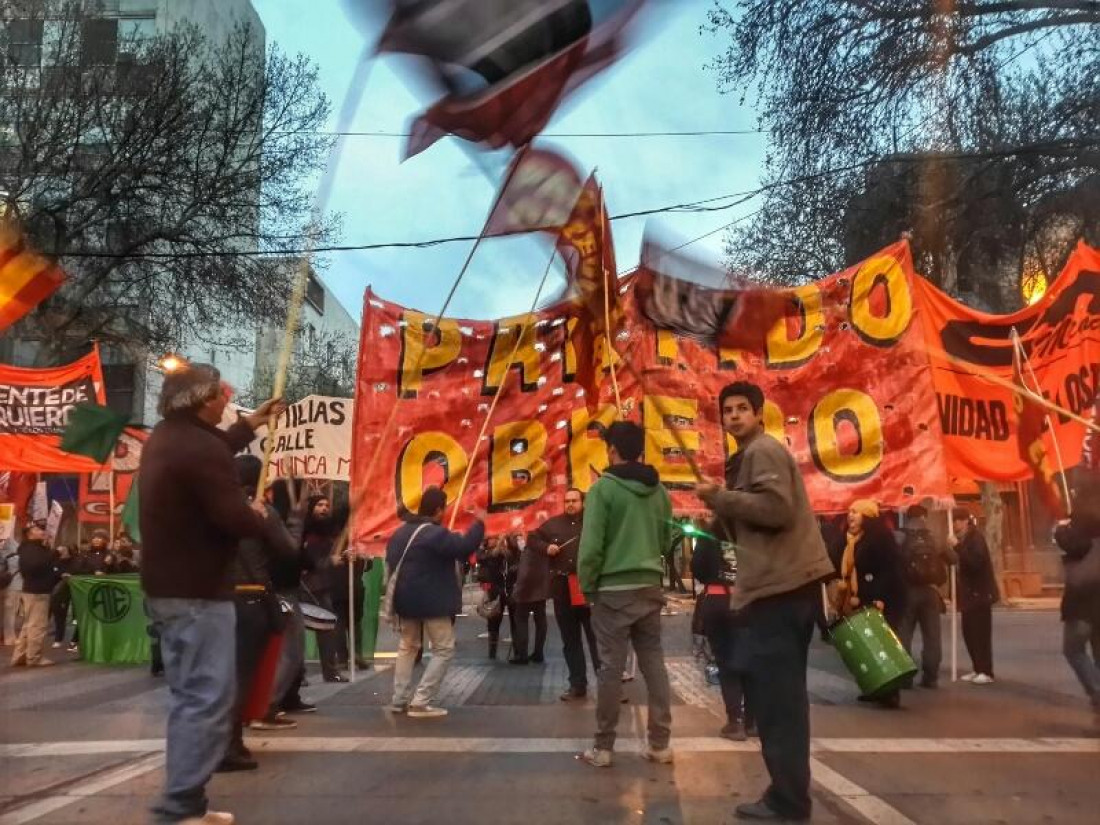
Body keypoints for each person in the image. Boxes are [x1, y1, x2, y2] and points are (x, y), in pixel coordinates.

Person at [139, 361, 284, 825]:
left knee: (190, 696)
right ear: (204, 399)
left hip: (170, 588)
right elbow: (235, 519)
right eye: (223, 391)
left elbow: (214, 447)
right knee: (208, 697)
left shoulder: (168, 437)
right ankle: (180, 804)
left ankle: (187, 801)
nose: (229, 396)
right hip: (199, 592)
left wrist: (251, 423)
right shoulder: (199, 449)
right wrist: (258, 514)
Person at [695, 381, 835, 823]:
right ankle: (786, 793)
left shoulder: (763, 451)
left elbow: (776, 510)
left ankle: (789, 801)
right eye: (727, 410)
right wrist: (719, 516)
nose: (734, 416)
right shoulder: (748, 458)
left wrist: (721, 498)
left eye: (742, 409)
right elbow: (750, 522)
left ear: (758, 414)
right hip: (777, 589)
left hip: (782, 590)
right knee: (778, 701)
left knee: (780, 705)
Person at [577, 421, 674, 768]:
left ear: (612, 450)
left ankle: (603, 748)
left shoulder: (603, 489)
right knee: (653, 662)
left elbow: (591, 548)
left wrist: (588, 586)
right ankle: (660, 744)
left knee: (610, 669)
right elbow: (667, 540)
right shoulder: (659, 491)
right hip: (649, 585)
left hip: (612, 590)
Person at [219, 455, 307, 770]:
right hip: (251, 599)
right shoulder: (260, 511)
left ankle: (219, 740)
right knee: (242, 675)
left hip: (216, 599)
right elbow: (289, 549)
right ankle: (229, 744)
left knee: (220, 674)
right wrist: (296, 518)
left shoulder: (214, 508)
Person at [386, 486, 485, 718]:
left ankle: (399, 699)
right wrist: (479, 523)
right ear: (439, 510)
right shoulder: (434, 533)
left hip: (404, 600)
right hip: (431, 601)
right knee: (443, 648)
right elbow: (464, 548)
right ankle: (421, 701)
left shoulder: (400, 533)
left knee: (407, 646)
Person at [829, 500, 908, 708]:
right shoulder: (846, 539)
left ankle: (891, 692)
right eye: (849, 511)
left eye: (855, 512)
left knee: (882, 644)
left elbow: (890, 571)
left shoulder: (881, 538)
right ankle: (873, 686)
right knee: (864, 645)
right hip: (856, 600)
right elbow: (835, 563)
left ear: (867, 515)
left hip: (882, 599)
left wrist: (879, 598)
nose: (850, 516)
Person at [528, 488, 601, 700]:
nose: (570, 504)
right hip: (562, 588)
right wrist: (546, 547)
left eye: (574, 501)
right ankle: (577, 684)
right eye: (567, 501)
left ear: (583, 502)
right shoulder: (553, 524)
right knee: (570, 639)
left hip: (589, 586)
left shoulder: (594, 521)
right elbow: (533, 538)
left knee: (597, 638)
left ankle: (608, 684)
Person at [691, 523, 753, 740]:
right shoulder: (750, 530)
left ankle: (734, 721)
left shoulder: (709, 534)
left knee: (726, 662)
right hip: (748, 601)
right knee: (749, 660)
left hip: (718, 600)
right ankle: (752, 721)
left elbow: (697, 568)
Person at [1054, 475, 1100, 720]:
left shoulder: (1083, 522)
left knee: (1073, 649)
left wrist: (1061, 527)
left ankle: (1097, 694)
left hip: (1084, 600)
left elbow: (1074, 545)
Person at [896, 504, 956, 689]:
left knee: (904, 634)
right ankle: (931, 676)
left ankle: (905, 677)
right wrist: (952, 545)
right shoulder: (934, 538)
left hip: (906, 591)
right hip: (930, 592)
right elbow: (953, 559)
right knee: (932, 636)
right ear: (924, 516)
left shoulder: (899, 536)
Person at [950, 508, 999, 684]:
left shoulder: (975, 538)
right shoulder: (963, 540)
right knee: (969, 632)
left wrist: (957, 546)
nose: (955, 524)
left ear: (965, 522)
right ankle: (977, 667)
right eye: (953, 520)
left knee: (981, 634)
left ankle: (986, 670)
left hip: (980, 594)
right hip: (968, 595)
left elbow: (974, 563)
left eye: (958, 520)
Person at [301, 496, 345, 683]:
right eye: (319, 505)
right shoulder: (305, 532)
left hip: (322, 586)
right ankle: (298, 674)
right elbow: (306, 562)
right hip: (307, 587)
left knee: (326, 630)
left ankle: (330, 671)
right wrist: (330, 562)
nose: (324, 508)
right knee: (301, 633)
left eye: (327, 505)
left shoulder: (327, 532)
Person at [10, 522, 58, 667]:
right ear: (30, 533)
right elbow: (36, 566)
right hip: (38, 590)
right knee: (37, 625)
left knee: (29, 624)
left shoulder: (32, 548)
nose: (41, 531)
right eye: (37, 529)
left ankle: (20, 655)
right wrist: (52, 554)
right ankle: (34, 657)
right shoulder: (32, 549)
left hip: (33, 589)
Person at [476, 535, 518, 660]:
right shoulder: (507, 552)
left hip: (497, 591)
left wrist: (482, 546)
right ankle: (517, 652)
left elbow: (479, 557)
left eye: (491, 539)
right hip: (506, 590)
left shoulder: (493, 554)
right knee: (512, 622)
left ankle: (493, 653)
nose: (489, 541)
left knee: (494, 622)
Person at [511, 531, 550, 665]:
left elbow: (525, 571)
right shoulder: (544, 541)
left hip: (525, 590)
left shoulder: (529, 544)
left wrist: (517, 590)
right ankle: (538, 652)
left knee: (521, 619)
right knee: (540, 619)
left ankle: (522, 655)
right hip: (541, 587)